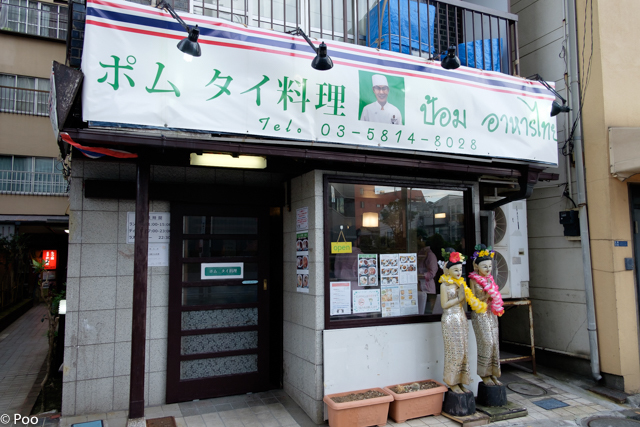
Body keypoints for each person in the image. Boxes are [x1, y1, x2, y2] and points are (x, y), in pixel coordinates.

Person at [439, 248, 486, 394]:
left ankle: (461, 380)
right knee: (453, 352)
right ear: (447, 271)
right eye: (455, 270)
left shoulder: (461, 284)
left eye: (460, 270)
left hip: (461, 318)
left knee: (463, 350)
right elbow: (444, 305)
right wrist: (459, 299)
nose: (459, 272)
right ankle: (451, 381)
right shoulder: (444, 285)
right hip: (450, 319)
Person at [469, 244, 504, 386]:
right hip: (480, 314)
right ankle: (484, 374)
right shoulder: (473, 280)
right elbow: (473, 300)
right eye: (485, 266)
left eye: (490, 266)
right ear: (476, 267)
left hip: (491, 313)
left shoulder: (490, 279)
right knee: (486, 342)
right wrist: (486, 296)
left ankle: (493, 373)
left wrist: (494, 298)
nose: (488, 269)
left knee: (494, 342)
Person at [417, 241, 438, 314]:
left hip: (428, 288)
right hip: (419, 287)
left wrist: (418, 276)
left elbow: (432, 273)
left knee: (428, 310)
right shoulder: (420, 253)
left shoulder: (430, 255)